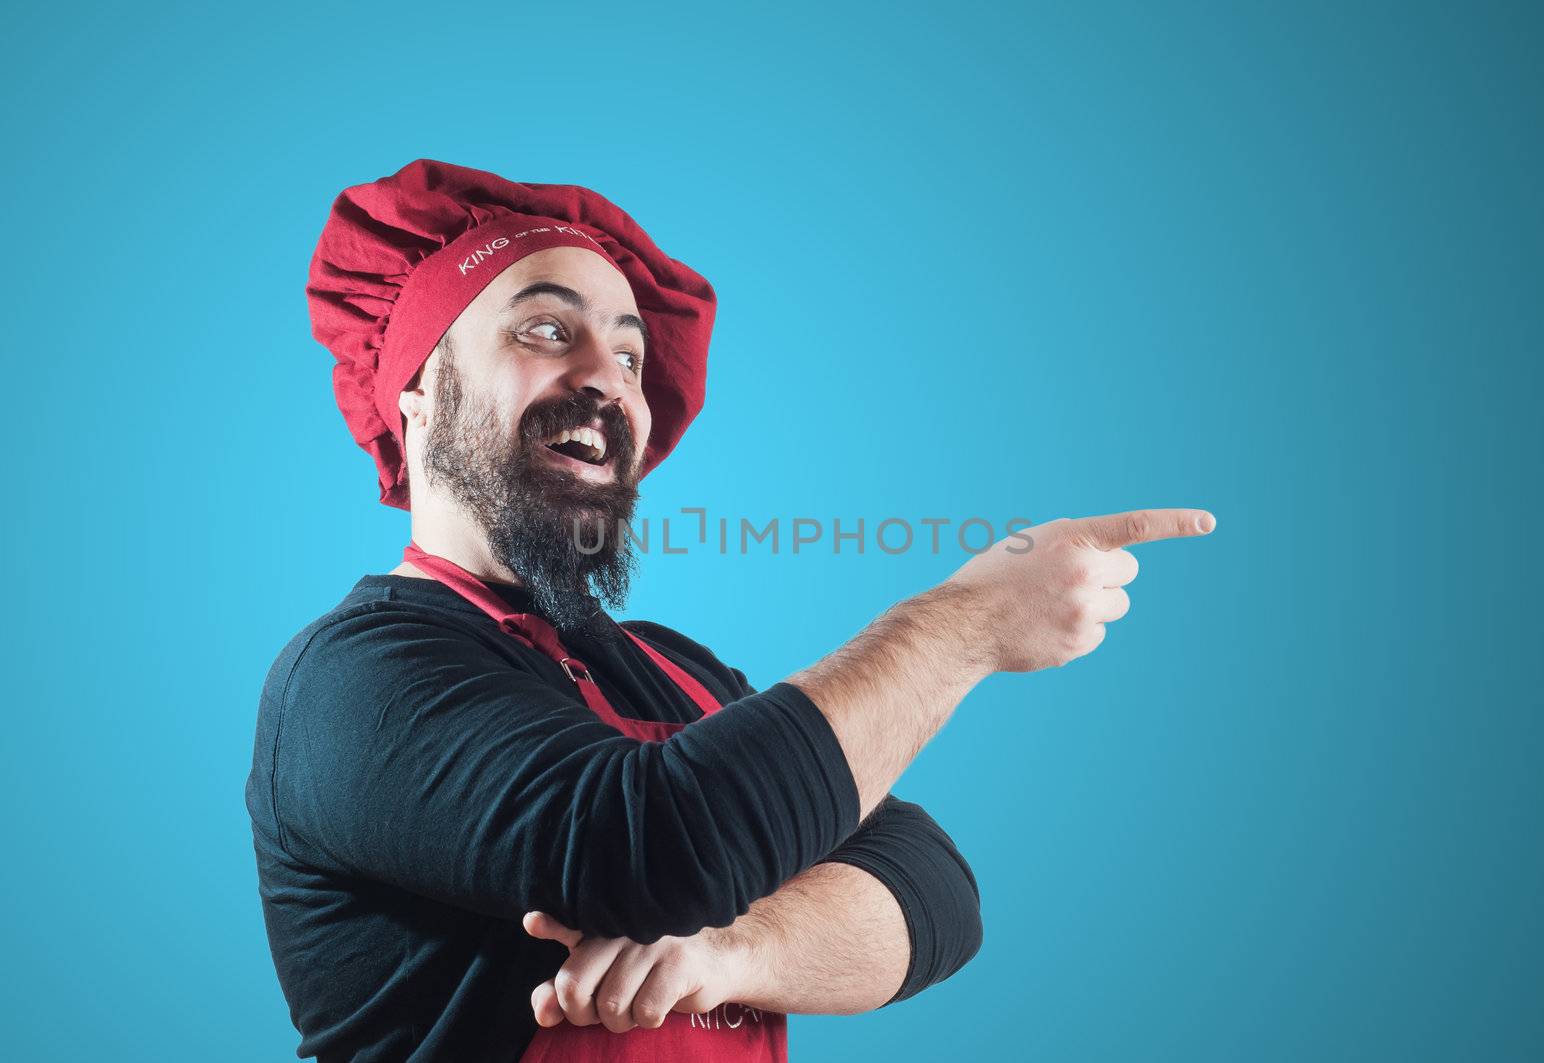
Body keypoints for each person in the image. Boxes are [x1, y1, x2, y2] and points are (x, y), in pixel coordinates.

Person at [246, 158, 1215, 1062]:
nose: (606, 379)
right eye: (546, 330)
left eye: (630, 355)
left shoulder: (678, 668)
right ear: (414, 392)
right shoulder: (352, 679)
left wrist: (734, 950)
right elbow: (655, 846)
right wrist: (960, 625)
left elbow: (933, 892)